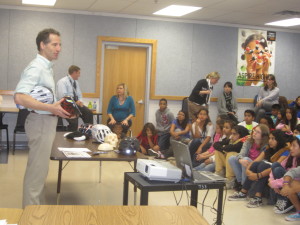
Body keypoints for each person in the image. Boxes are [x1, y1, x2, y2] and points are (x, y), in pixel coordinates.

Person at [14, 28, 70, 207]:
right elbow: (20, 97)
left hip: (46, 121)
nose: (59, 48)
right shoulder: (36, 67)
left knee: (41, 170)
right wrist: (49, 107)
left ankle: (38, 210)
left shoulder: (47, 67)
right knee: (36, 172)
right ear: (42, 45)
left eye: (60, 44)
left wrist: (56, 107)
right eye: (54, 44)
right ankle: (30, 215)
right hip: (40, 122)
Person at [228, 130, 289, 208]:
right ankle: (243, 192)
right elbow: (255, 161)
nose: (270, 141)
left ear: (279, 140)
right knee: (257, 164)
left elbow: (274, 167)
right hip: (264, 172)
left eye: (273, 139)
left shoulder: (285, 151)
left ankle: (258, 198)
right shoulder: (268, 149)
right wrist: (248, 171)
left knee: (263, 165)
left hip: (275, 174)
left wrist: (258, 175)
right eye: (269, 138)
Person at [269, 135, 300, 216]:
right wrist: (271, 180)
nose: (290, 148)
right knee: (275, 165)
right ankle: (283, 200)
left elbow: (296, 178)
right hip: (287, 182)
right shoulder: (291, 156)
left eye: (294, 146)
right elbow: (289, 172)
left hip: (295, 186)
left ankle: (286, 201)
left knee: (291, 182)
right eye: (291, 145)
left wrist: (274, 183)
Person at [56, 65, 93, 131]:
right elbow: (63, 97)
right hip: (65, 105)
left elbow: (79, 95)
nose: (79, 75)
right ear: (74, 72)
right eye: (78, 73)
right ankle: (71, 135)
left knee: (88, 113)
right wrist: (75, 102)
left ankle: (88, 132)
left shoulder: (76, 82)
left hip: (75, 104)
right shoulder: (62, 82)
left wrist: (80, 101)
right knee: (74, 121)